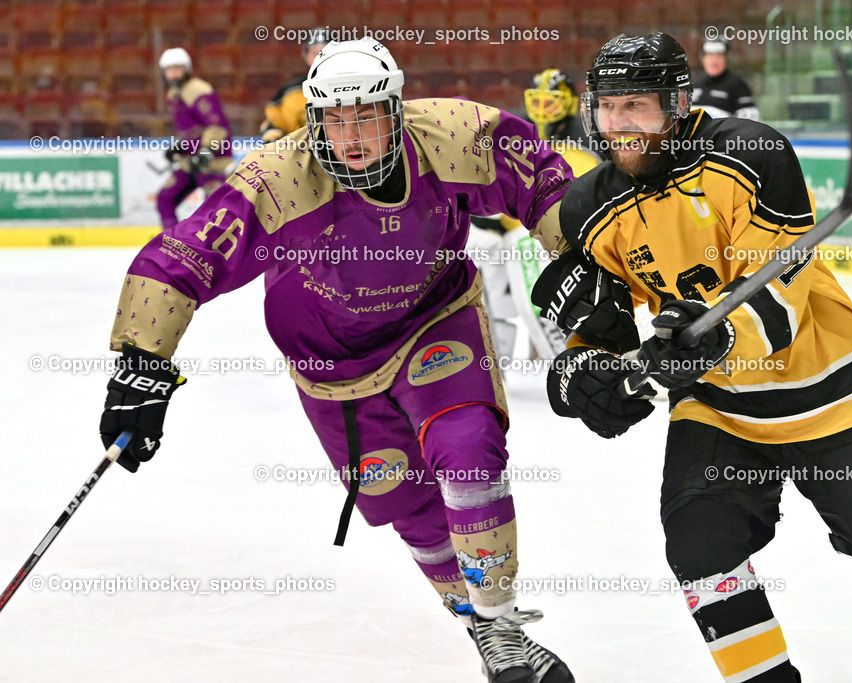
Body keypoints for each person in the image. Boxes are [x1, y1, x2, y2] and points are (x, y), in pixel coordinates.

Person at [535, 32, 852, 682]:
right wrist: (583, 373)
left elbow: (782, 294)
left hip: (835, 385)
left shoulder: (749, 153)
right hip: (720, 407)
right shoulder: (589, 205)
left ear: (677, 103)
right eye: (608, 107)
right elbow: (602, 329)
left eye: (637, 107)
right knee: (702, 551)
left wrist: (716, 332)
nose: (619, 125)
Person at [99, 38, 575, 683]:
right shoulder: (277, 179)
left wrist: (582, 269)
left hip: (435, 318)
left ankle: (500, 624)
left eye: (367, 116)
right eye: (335, 119)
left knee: (468, 448)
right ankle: (477, 623)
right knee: (407, 509)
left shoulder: (455, 134)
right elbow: (181, 259)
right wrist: (139, 368)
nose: (351, 136)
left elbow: (546, 181)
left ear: (396, 110)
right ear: (315, 120)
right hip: (331, 363)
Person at [468, 69, 601, 362]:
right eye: (536, 101)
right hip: (506, 227)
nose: (542, 110)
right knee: (488, 291)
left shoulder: (583, 140)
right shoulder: (517, 131)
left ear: (567, 102)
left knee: (527, 267)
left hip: (550, 233)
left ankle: (564, 360)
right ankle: (496, 366)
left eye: (550, 101)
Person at [156, 47, 234, 231]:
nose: (173, 74)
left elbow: (218, 127)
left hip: (213, 163)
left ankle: (221, 251)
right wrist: (181, 147)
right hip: (190, 163)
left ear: (187, 69)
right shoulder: (174, 94)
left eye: (178, 69)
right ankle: (172, 245)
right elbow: (191, 129)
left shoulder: (198, 90)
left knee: (218, 212)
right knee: (165, 198)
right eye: (169, 70)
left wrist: (207, 150)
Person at [259, 27, 330, 142]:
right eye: (315, 53)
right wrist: (275, 140)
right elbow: (273, 127)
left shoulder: (353, 88)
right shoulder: (290, 92)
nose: (320, 59)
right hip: (300, 155)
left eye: (325, 53)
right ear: (305, 55)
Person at [691, 37, 760, 120]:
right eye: (710, 56)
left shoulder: (737, 86)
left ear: (726, 58)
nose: (714, 61)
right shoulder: (697, 84)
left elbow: (751, 124)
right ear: (702, 59)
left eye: (719, 56)